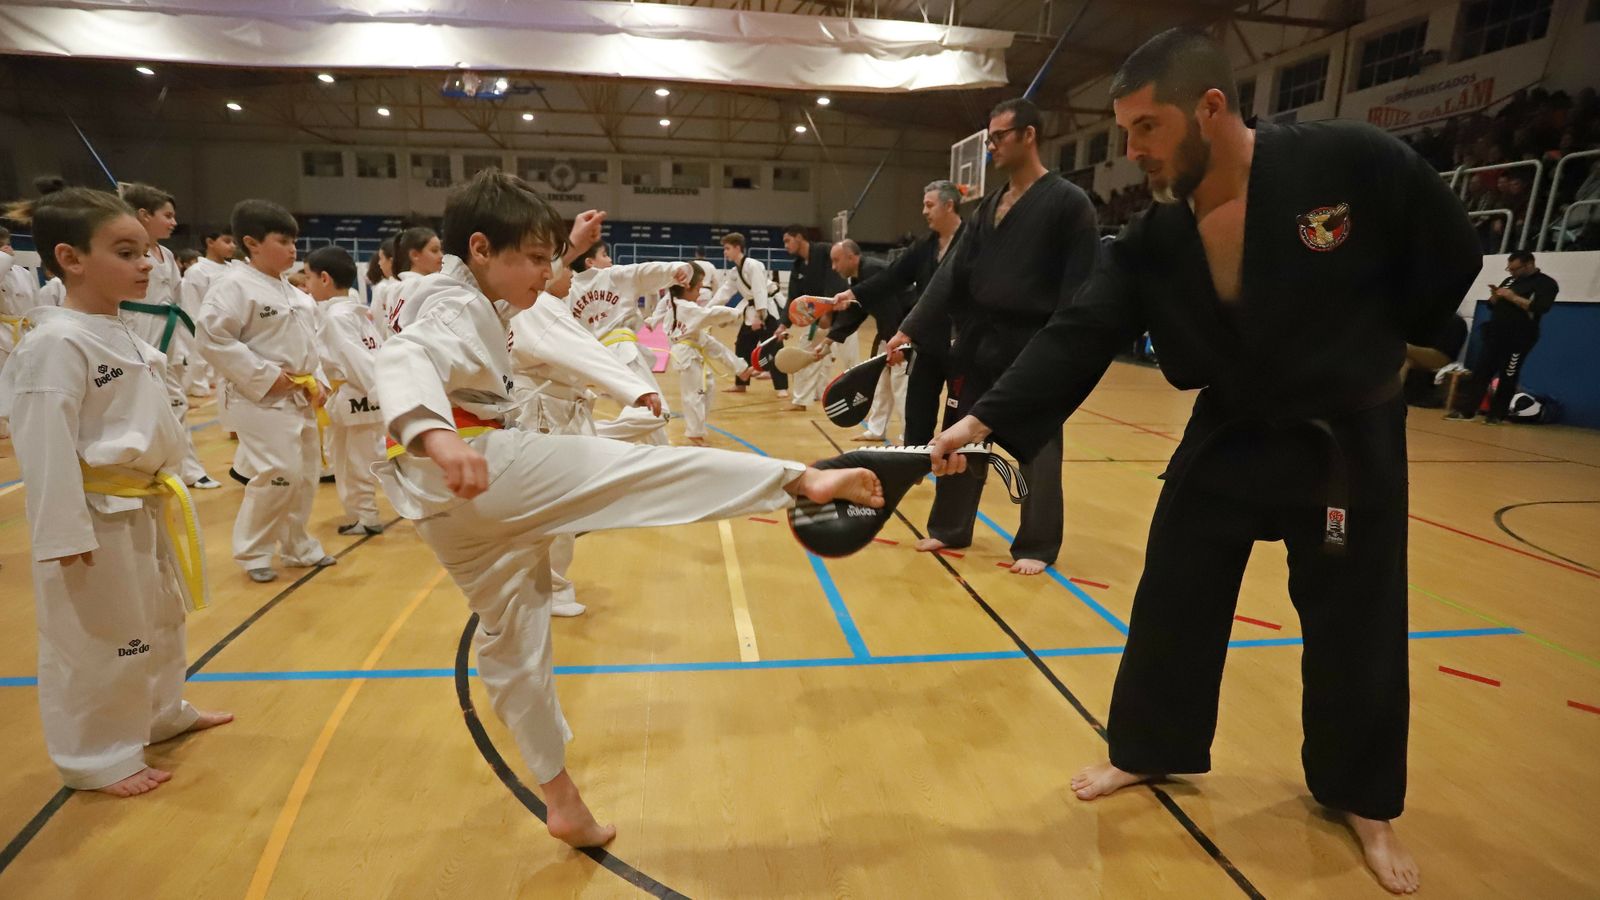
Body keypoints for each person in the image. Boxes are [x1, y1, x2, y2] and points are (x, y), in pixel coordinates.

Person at [928, 29, 1481, 895]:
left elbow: (1450, 252)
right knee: (1174, 593)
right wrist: (983, 421)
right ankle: (1150, 749)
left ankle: (1362, 796)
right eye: (1126, 132)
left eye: (1147, 127)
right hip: (1232, 431)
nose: (1133, 151)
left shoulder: (1349, 161)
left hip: (1347, 438)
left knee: (1357, 624)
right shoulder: (1157, 238)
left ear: (1211, 109)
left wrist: (1398, 342)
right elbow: (1080, 331)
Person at [374, 168, 882, 849]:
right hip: (465, 459)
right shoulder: (450, 304)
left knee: (515, 637)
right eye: (531, 256)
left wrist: (571, 252)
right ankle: (798, 482)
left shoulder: (482, 298)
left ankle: (562, 801)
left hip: (447, 495)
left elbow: (548, 304)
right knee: (637, 470)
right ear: (480, 249)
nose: (544, 270)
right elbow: (407, 356)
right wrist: (434, 434)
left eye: (549, 256)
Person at [0, 187, 232, 797]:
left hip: (144, 502)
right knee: (101, 638)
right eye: (127, 252)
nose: (147, 264)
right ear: (70, 258)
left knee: (158, 619)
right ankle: (94, 755)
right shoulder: (55, 343)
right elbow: (43, 445)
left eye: (148, 252)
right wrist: (62, 532)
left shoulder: (115, 329)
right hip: (95, 513)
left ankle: (160, 711)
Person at [888, 97, 1099, 576]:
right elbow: (951, 276)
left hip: (1035, 344)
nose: (992, 147)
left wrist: (1061, 357)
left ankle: (1038, 544)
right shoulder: (988, 209)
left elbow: (1079, 290)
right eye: (989, 139)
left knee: (1039, 446)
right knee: (961, 438)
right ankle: (950, 527)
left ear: (1029, 135)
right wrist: (910, 328)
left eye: (1000, 137)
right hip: (980, 344)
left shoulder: (1068, 203)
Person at [195, 199, 336, 584]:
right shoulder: (233, 287)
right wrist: (263, 375)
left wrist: (319, 378)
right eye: (282, 240)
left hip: (298, 394)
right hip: (257, 397)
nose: (292, 249)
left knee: (305, 475)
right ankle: (253, 551)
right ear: (252, 243)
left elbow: (312, 343)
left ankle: (297, 546)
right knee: (279, 472)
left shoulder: (295, 293)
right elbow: (212, 339)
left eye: (294, 241)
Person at [837, 180, 965, 445]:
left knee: (959, 415)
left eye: (929, 205)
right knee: (917, 411)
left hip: (963, 347)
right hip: (927, 344)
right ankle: (913, 464)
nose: (924, 211)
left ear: (949, 205)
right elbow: (892, 277)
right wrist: (853, 294)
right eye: (923, 205)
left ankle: (959, 471)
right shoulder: (924, 246)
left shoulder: (974, 242)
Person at [117, 184, 221, 490]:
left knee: (176, 402)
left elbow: (176, 298)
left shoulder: (166, 253)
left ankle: (185, 468)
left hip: (167, 333)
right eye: (168, 215)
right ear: (143, 215)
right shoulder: (123, 253)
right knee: (138, 406)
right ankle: (146, 467)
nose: (174, 222)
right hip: (134, 331)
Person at [565, 240, 686, 444]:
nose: (610, 259)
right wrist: (676, 269)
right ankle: (586, 436)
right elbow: (641, 271)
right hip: (623, 351)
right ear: (590, 262)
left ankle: (659, 454)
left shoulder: (569, 290)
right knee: (657, 411)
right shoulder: (611, 275)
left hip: (600, 361)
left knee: (640, 411)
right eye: (604, 255)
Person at [304, 245, 387, 536]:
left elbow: (357, 361)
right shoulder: (355, 313)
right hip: (358, 395)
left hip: (359, 396)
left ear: (324, 278)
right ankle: (360, 514)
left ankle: (367, 516)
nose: (306, 284)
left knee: (356, 463)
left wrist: (379, 395)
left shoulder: (339, 317)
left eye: (308, 277)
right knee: (350, 459)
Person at [1447, 250, 1559, 423]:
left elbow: (1540, 308)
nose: (1511, 272)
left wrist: (1512, 297)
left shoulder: (1546, 284)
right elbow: (1497, 305)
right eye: (1509, 268)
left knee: (1508, 374)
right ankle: (1466, 411)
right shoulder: (1510, 280)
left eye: (1515, 269)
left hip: (1520, 337)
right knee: (1481, 371)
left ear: (1529, 264)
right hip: (1496, 334)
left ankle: (1496, 415)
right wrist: (1494, 298)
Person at [646, 263, 748, 445]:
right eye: (699, 288)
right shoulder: (688, 308)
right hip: (686, 352)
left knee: (708, 384)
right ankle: (694, 431)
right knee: (694, 393)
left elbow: (713, 340)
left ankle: (741, 369)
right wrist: (736, 313)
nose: (700, 292)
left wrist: (654, 320)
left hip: (691, 342)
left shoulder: (679, 302)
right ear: (686, 287)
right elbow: (711, 314)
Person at [817, 239, 900, 430]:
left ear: (852, 257)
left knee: (902, 385)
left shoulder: (873, 270)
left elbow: (892, 310)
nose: (834, 267)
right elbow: (855, 312)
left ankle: (909, 439)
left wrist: (896, 342)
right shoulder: (859, 278)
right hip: (890, 333)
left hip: (904, 334)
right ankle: (876, 430)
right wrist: (829, 341)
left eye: (837, 260)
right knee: (882, 383)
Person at [712, 232, 787, 394]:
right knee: (742, 347)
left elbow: (760, 291)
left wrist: (760, 316)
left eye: (727, 248)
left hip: (766, 310)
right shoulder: (734, 272)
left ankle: (782, 388)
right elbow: (724, 293)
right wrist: (708, 311)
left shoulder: (754, 265)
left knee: (774, 348)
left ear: (738, 248)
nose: (724, 252)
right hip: (751, 311)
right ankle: (741, 384)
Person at [178, 229, 237, 397]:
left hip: (228, 325)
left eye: (233, 242)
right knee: (199, 361)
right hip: (203, 324)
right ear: (210, 242)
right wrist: (198, 327)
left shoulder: (233, 269)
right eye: (227, 241)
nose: (232, 246)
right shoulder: (197, 271)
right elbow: (191, 304)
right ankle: (196, 387)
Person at [381, 226, 443, 337]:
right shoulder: (425, 285)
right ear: (414, 255)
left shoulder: (394, 287)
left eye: (440, 250)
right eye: (434, 250)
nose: (441, 256)